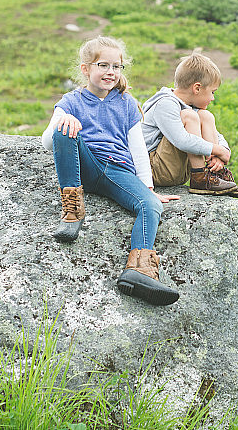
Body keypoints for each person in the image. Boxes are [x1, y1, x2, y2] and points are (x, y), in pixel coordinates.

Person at [41, 36, 180, 306]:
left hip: (119, 173)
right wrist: (63, 119)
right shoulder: (71, 101)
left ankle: (139, 269)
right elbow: (48, 141)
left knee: (150, 205)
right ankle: (72, 211)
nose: (110, 72)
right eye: (103, 65)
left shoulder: (127, 103)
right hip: (86, 166)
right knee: (62, 128)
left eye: (116, 67)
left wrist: (148, 188)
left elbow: (138, 149)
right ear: (85, 69)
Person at [142, 51, 238, 197]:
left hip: (175, 170)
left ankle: (214, 172)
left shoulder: (188, 106)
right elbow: (182, 141)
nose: (213, 98)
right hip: (154, 169)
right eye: (213, 92)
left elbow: (217, 135)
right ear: (197, 88)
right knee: (190, 116)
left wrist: (222, 152)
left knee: (205, 116)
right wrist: (216, 150)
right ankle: (199, 178)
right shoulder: (165, 104)